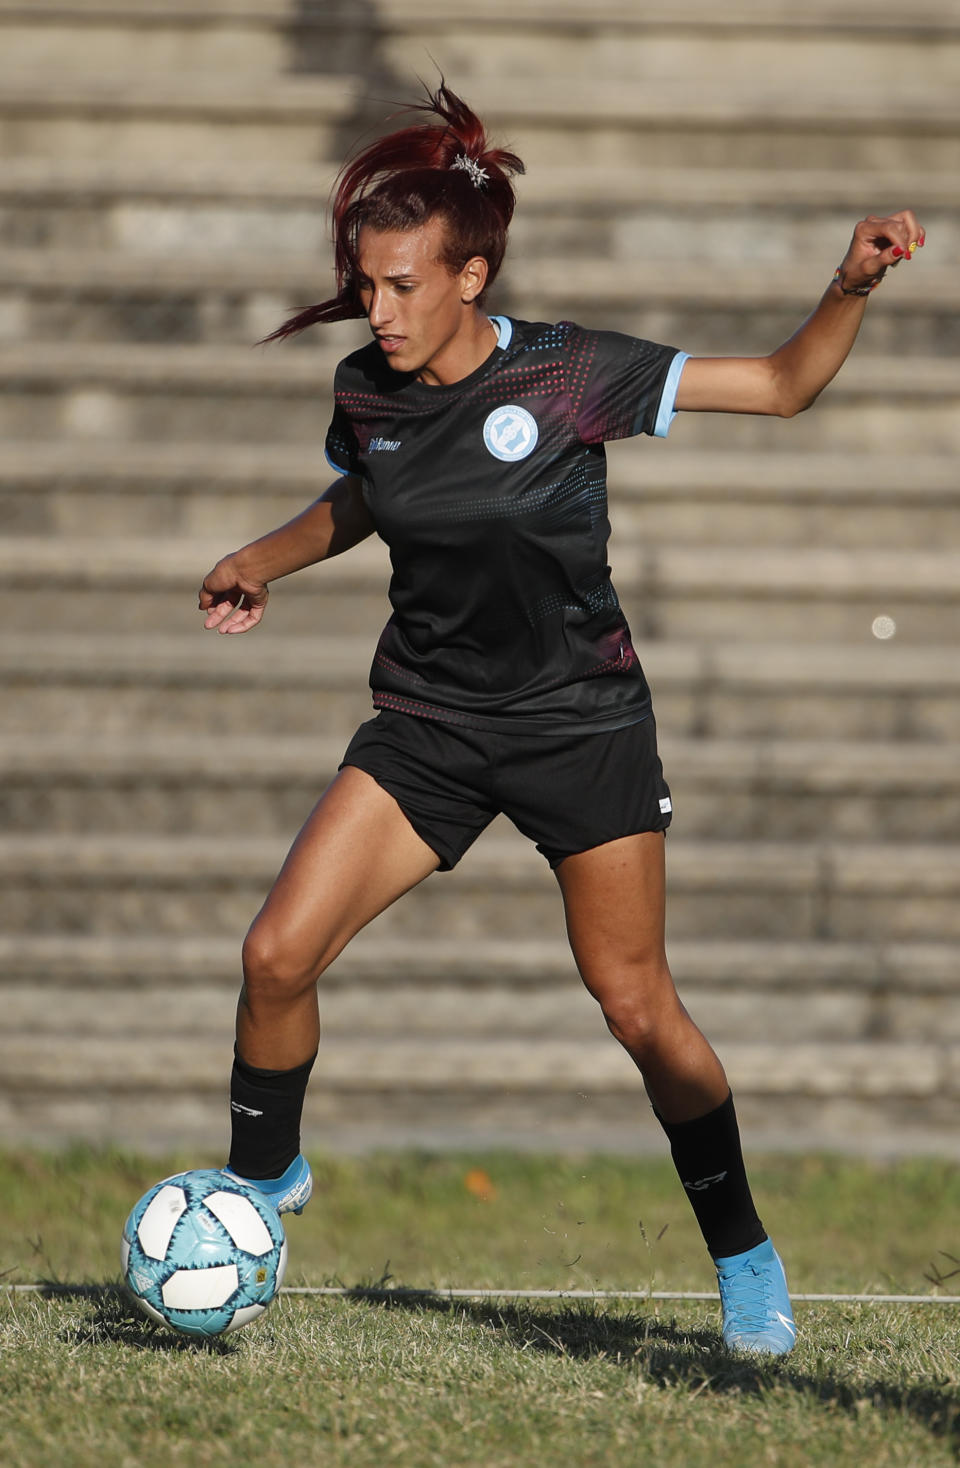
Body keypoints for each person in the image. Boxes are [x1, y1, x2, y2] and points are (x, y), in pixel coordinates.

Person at [198, 83, 924, 1356]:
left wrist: (848, 285)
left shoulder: (573, 371)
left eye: (403, 286)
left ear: (470, 274)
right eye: (365, 286)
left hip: (580, 724)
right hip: (426, 720)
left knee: (637, 1005)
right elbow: (367, 498)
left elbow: (781, 385)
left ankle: (744, 1251)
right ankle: (256, 1195)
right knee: (273, 958)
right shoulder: (367, 386)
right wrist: (261, 555)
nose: (378, 310)